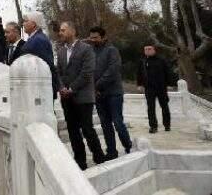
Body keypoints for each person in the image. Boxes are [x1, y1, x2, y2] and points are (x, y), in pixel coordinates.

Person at [57, 21, 106, 170]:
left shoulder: (86, 49)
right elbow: (58, 72)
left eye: (63, 30)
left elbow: (87, 73)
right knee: (72, 130)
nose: (60, 33)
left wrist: (71, 88)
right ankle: (80, 161)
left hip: (83, 97)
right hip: (66, 98)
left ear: (72, 31)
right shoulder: (60, 51)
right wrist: (61, 88)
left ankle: (99, 157)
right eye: (60, 30)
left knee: (87, 129)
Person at [90, 26, 132, 160]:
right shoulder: (90, 52)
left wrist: (96, 85)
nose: (93, 40)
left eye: (95, 37)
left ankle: (129, 146)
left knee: (118, 123)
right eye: (91, 37)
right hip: (98, 95)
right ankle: (112, 152)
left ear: (103, 37)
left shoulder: (112, 50)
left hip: (114, 93)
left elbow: (112, 71)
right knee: (105, 124)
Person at [21, 12, 60, 99]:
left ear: (34, 24)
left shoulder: (38, 40)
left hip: (41, 88)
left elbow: (46, 64)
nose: (23, 23)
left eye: (26, 21)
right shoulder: (34, 38)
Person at [136, 44, 172, 133]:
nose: (147, 50)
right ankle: (153, 127)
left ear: (154, 50)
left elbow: (168, 72)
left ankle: (167, 125)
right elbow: (139, 73)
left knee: (164, 106)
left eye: (149, 49)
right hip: (149, 88)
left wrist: (170, 84)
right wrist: (139, 84)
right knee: (150, 108)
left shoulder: (161, 60)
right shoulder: (143, 61)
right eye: (146, 49)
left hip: (161, 87)